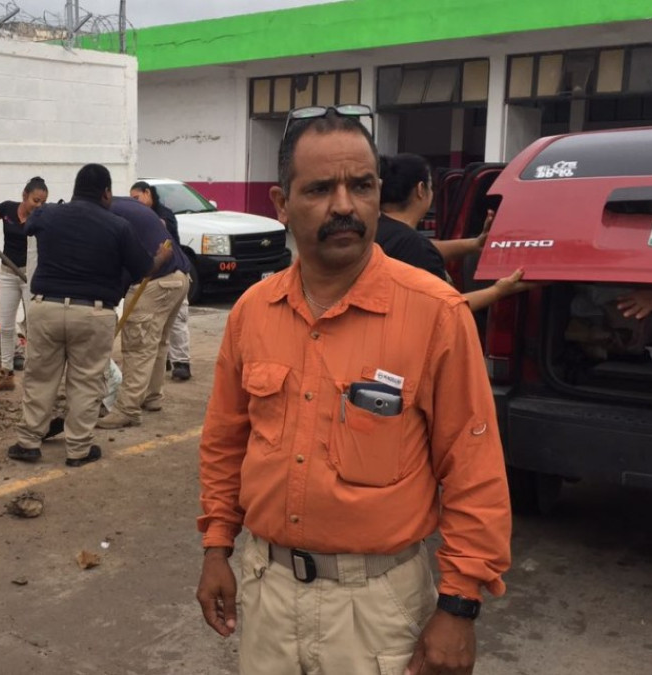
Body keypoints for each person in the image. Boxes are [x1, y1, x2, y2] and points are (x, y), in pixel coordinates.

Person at [196, 108, 512, 675]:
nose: (344, 205)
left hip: (376, 607)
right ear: (281, 203)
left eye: (361, 186)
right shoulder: (252, 313)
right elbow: (225, 442)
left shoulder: (435, 314)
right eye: (320, 188)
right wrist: (217, 547)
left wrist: (459, 606)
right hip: (266, 591)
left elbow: (474, 467)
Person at [5, 164, 163, 467]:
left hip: (46, 308)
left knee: (40, 377)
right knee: (86, 381)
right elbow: (143, 269)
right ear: (106, 192)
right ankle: (78, 449)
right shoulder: (118, 226)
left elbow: (28, 224)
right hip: (93, 313)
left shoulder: (48, 213)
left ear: (75, 190)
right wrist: (161, 258)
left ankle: (27, 443)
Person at [378, 153, 531, 312]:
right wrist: (498, 291)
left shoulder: (374, 230)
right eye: (432, 186)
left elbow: (418, 248)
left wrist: (475, 244)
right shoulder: (414, 246)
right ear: (421, 189)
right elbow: (447, 309)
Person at [97, 196, 192, 429]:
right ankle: (152, 397)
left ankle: (127, 409)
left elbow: (119, 263)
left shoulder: (109, 217)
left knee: (138, 346)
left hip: (156, 281)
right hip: (179, 278)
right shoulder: (127, 206)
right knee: (157, 342)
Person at [0, 177, 49, 392]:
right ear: (24, 196)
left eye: (43, 202)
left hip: (31, 276)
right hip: (7, 273)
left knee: (34, 326)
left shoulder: (42, 218)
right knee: (6, 326)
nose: (39, 206)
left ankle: (36, 378)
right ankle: (6, 375)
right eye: (36, 200)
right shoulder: (7, 209)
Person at [132, 181, 192, 381]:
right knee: (155, 323)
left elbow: (163, 227)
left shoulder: (163, 214)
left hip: (175, 272)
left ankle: (181, 361)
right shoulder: (140, 216)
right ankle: (163, 360)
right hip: (154, 276)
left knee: (177, 320)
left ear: (147, 193)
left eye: (136, 198)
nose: (135, 203)